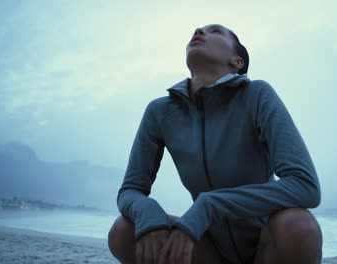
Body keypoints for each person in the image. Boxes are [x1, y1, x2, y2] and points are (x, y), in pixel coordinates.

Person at [108, 24, 323, 264]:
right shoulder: (160, 112)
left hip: (267, 245)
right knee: (124, 230)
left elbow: (305, 186)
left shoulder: (256, 94)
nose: (199, 30)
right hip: (206, 249)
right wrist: (148, 212)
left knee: (299, 226)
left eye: (216, 31)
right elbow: (130, 190)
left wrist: (210, 205)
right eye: (199, 30)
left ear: (237, 61)